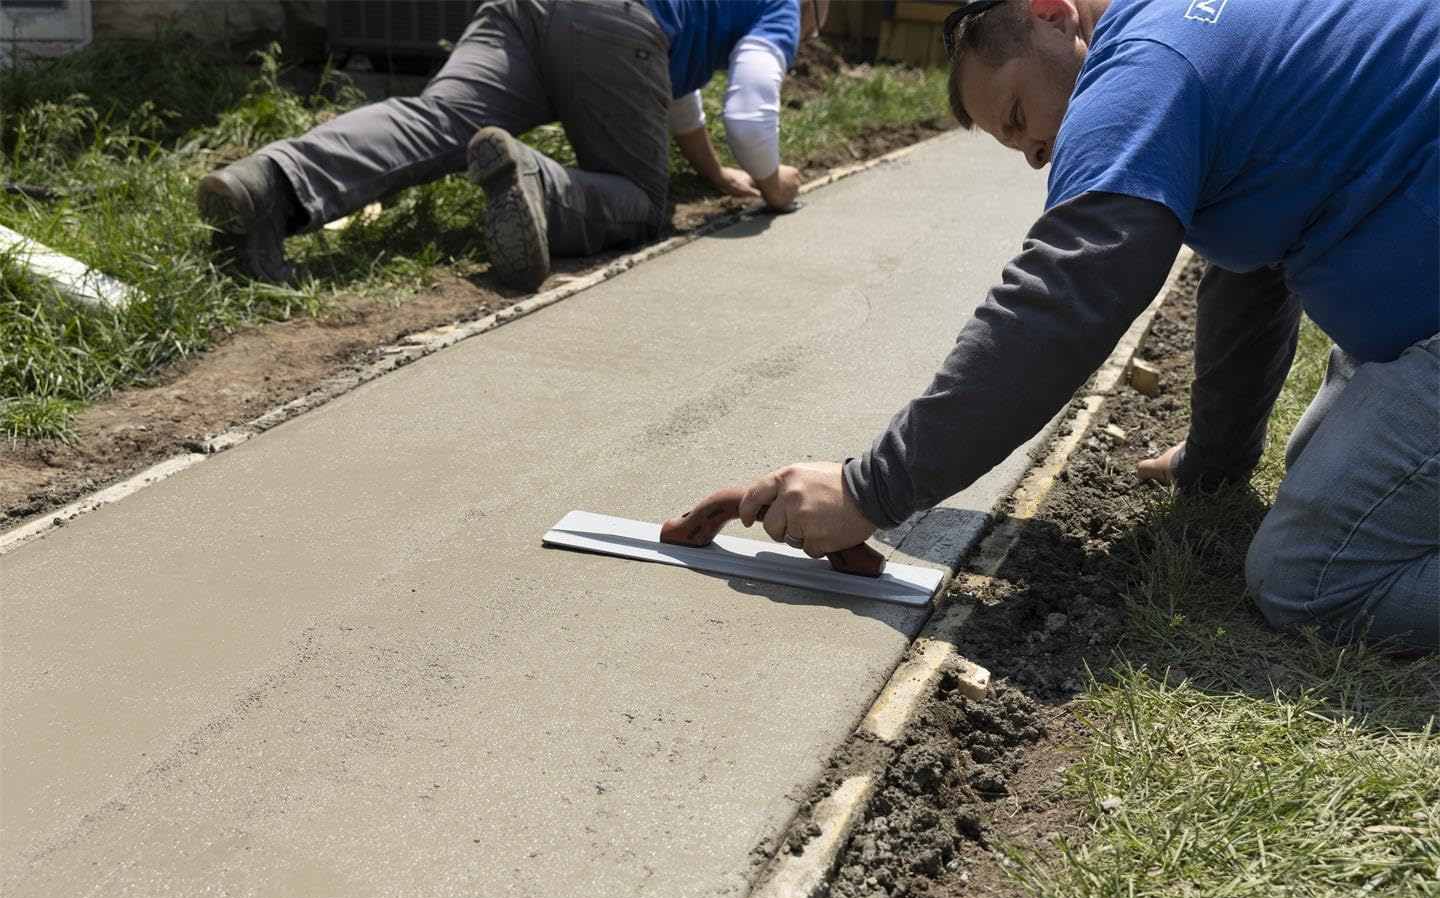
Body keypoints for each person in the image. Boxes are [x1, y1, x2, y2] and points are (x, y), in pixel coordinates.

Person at [736, 0, 1439, 650]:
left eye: (1016, 116)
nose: (1035, 154)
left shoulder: (1146, 65)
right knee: (1325, 478)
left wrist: (870, 491)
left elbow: (1067, 293)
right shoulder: (1194, 41)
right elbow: (1248, 275)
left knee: (1309, 577)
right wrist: (1213, 463)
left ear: (1051, 12)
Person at [197, 0, 829, 291]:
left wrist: (717, 173)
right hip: (614, 24)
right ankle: (534, 181)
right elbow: (749, 107)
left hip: (526, 10)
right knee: (642, 204)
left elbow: (674, 92)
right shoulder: (781, 5)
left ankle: (271, 183)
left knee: (437, 117)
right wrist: (774, 183)